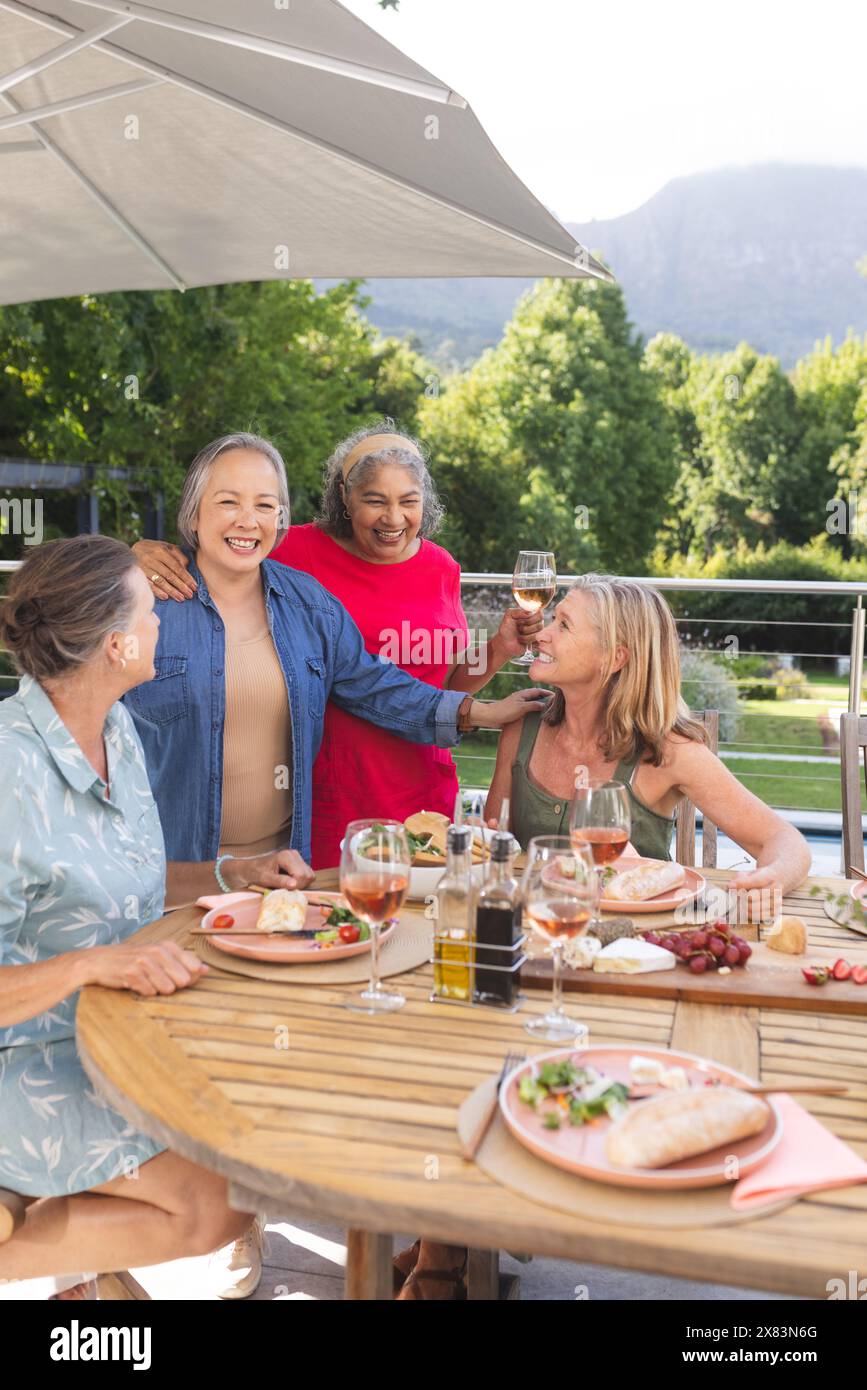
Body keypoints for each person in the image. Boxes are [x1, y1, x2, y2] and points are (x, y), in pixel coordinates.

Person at [0, 536, 252, 1299]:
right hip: (27, 1062)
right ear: (117, 642)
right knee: (219, 1199)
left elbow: (122, 881)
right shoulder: (8, 774)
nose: (164, 622)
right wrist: (87, 965)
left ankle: (76, 1273)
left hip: (117, 1036)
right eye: (150, 608)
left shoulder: (117, 730)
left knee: (256, 1120)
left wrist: (228, 875)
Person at [132, 423, 542, 868]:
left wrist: (489, 685)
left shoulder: (334, 599)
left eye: (265, 506)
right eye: (374, 500)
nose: (248, 520)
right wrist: (128, 558)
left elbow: (387, 683)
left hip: (338, 832)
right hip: (210, 854)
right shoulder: (149, 604)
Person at [485, 573, 811, 899]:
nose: (541, 634)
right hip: (540, 931)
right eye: (553, 619)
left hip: (640, 943)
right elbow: (493, 848)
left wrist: (770, 881)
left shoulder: (669, 751)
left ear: (615, 658)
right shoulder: (521, 727)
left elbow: (783, 840)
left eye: (564, 625)